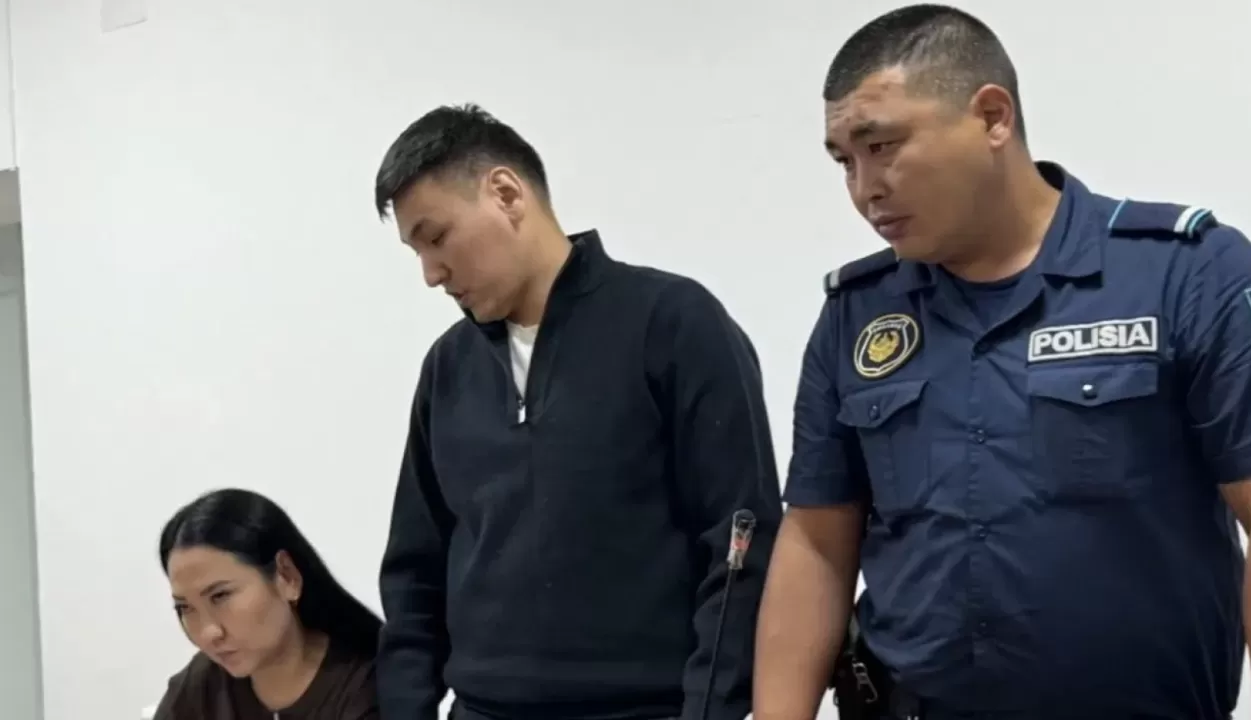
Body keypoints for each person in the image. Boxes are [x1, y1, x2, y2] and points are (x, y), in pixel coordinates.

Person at [754, 4, 1251, 719]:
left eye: (882, 145)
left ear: (992, 117)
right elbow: (818, 539)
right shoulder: (860, 312)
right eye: (845, 160)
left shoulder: (1185, 272)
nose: (864, 187)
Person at [372, 103, 782, 720]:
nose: (432, 274)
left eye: (436, 237)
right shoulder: (448, 366)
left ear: (506, 193)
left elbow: (739, 543)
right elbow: (416, 570)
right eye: (416, 252)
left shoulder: (671, 323)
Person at [153, 488, 382, 720]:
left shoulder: (370, 687)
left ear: (287, 576)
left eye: (220, 596)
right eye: (184, 607)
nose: (209, 633)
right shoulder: (201, 684)